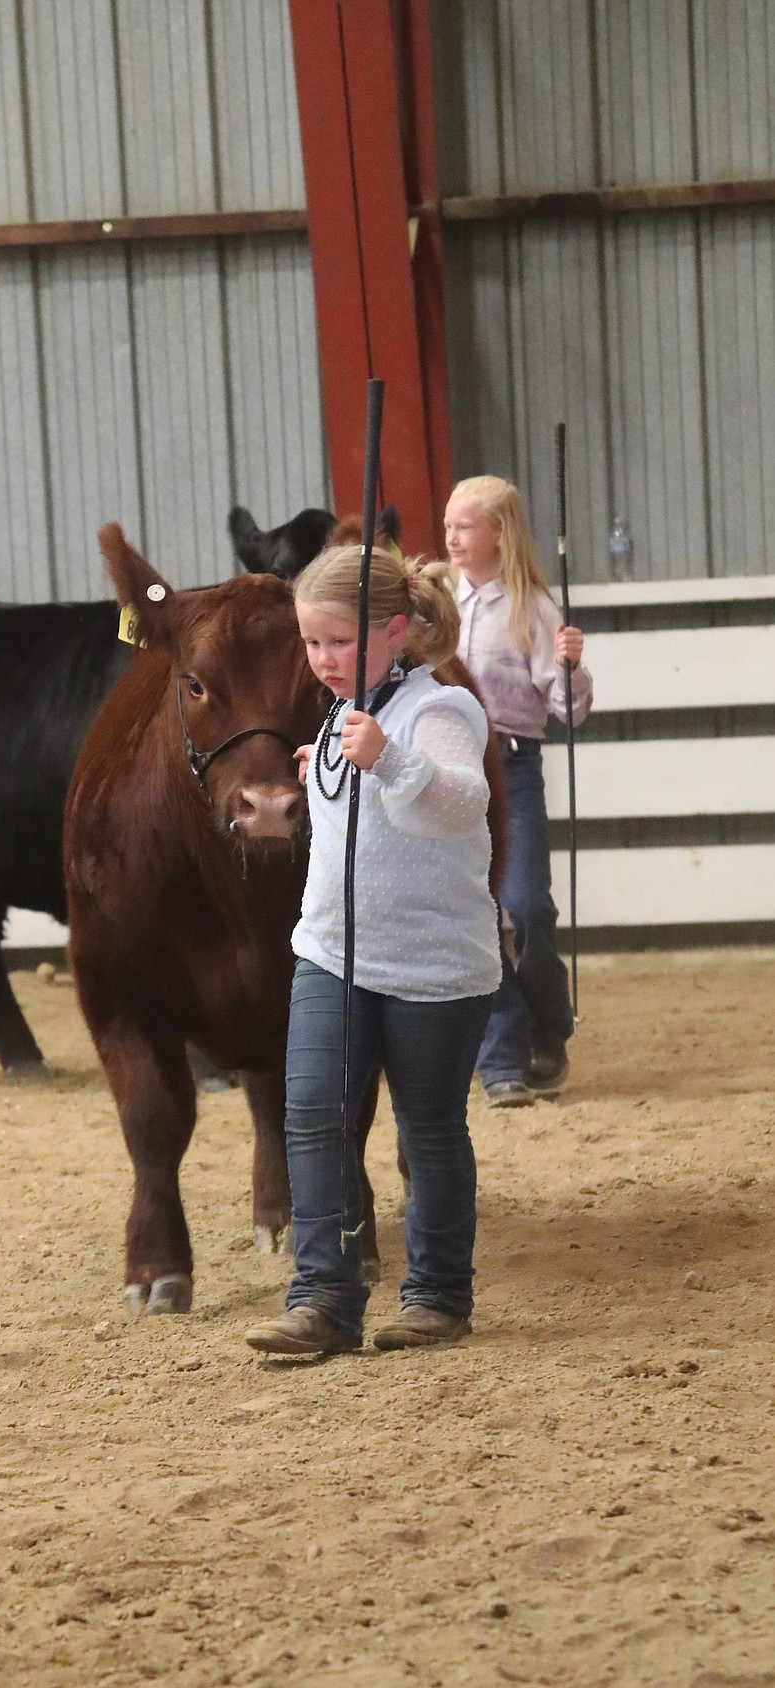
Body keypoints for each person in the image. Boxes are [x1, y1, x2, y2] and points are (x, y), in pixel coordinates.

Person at [244, 542, 501, 1357]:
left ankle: (437, 1296)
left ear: (395, 631)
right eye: (311, 643)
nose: (322, 661)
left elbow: (461, 804)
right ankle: (322, 1296)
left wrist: (386, 758)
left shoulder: (439, 709)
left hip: (433, 962)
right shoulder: (337, 716)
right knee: (312, 1112)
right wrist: (330, 764)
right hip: (330, 950)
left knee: (428, 1129)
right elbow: (358, 811)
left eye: (339, 642)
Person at [445, 475, 593, 1107]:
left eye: (464, 526)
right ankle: (502, 1055)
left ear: (498, 534)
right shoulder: (438, 601)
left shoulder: (534, 608)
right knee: (475, 914)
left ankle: (551, 1021)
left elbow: (567, 709)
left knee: (527, 906)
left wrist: (570, 665)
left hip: (513, 765)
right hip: (454, 767)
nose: (450, 536)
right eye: (447, 525)